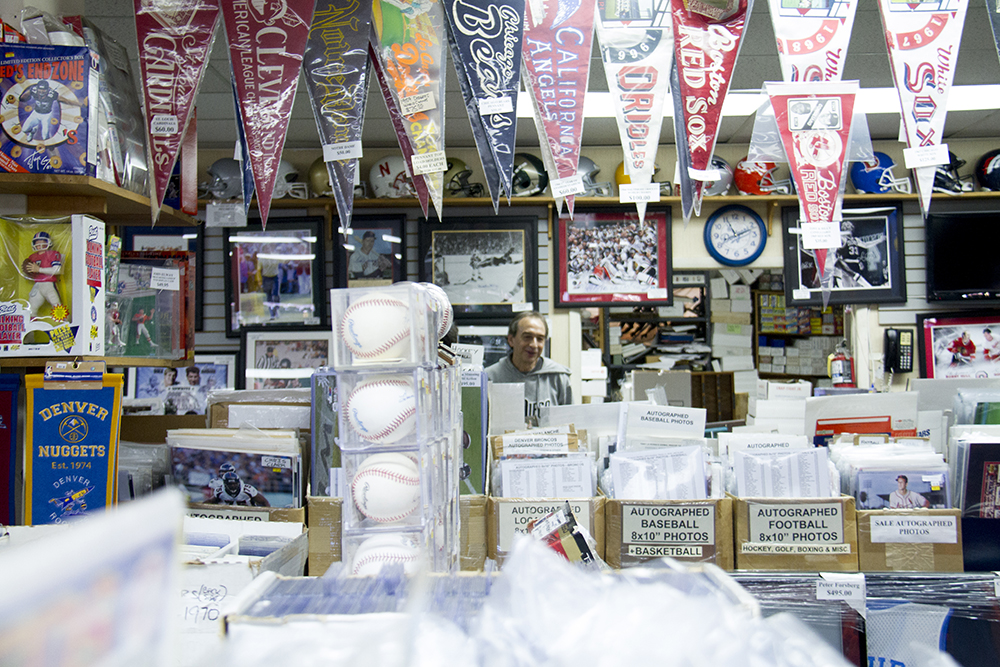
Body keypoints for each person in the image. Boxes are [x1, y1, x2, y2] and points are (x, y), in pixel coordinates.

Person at [485, 311, 572, 419]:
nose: (534, 345)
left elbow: (569, 425)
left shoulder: (559, 378)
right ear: (511, 340)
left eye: (540, 339)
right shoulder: (490, 378)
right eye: (527, 337)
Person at [23, 231, 64, 319]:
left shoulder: (53, 254)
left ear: (48, 242)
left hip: (48, 284)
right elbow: (30, 272)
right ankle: (30, 331)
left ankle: (66, 328)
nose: (39, 245)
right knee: (31, 310)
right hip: (37, 285)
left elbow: (57, 270)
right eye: (37, 243)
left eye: (42, 242)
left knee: (58, 307)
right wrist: (28, 272)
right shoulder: (32, 257)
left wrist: (39, 269)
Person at [205, 468, 270, 507]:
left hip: (249, 514)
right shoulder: (220, 491)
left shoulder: (247, 490)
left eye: (234, 483)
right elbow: (211, 502)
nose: (233, 486)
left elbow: (264, 502)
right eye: (230, 484)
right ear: (225, 484)